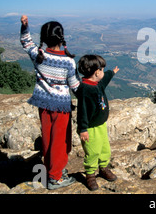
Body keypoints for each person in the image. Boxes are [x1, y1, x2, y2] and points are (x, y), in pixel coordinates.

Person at [20, 15, 80, 190]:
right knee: (60, 141)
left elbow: (26, 42)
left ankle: (50, 169)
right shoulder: (68, 61)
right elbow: (75, 86)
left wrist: (25, 26)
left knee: (47, 138)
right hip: (61, 107)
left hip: (43, 104)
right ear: (62, 38)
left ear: (44, 38)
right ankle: (55, 177)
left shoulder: (39, 55)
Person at [76, 55, 119, 191]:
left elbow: (104, 79)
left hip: (100, 124)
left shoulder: (97, 83)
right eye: (102, 70)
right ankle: (90, 175)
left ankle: (103, 167)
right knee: (93, 151)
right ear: (96, 72)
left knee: (104, 148)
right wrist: (83, 129)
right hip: (90, 127)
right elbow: (82, 111)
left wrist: (111, 73)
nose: (103, 72)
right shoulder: (85, 89)